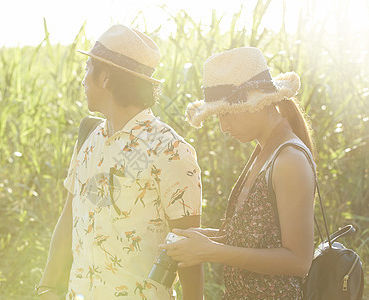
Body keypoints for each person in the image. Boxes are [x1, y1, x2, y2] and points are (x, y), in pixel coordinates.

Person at [37, 25, 203, 300]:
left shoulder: (170, 150)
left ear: (105, 78)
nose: (83, 80)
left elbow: (189, 253)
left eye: (88, 68)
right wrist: (46, 288)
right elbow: (70, 216)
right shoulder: (88, 138)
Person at [161, 47, 316, 299]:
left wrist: (211, 252)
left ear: (257, 103)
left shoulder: (289, 160)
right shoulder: (263, 150)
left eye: (226, 113)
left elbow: (298, 261)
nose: (223, 127)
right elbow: (256, 239)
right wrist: (204, 237)